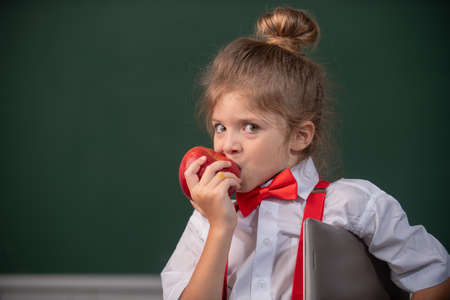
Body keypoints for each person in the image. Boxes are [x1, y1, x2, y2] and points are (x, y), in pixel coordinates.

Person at [161, 7, 449, 300]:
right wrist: (220, 228)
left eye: (250, 127)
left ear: (300, 136)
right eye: (220, 126)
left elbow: (435, 277)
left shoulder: (352, 204)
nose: (227, 145)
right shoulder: (206, 220)